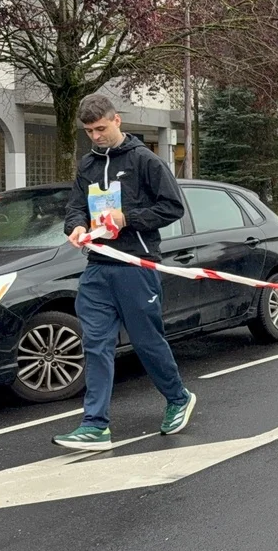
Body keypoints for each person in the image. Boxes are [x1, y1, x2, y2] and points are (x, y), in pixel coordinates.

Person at [55, 94, 194, 450]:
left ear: (117, 120)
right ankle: (94, 425)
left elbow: (172, 207)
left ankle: (178, 397)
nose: (96, 136)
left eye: (101, 128)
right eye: (89, 131)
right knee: (96, 345)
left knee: (147, 342)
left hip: (135, 264)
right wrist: (76, 226)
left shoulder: (145, 160)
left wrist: (127, 218)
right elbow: (75, 207)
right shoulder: (87, 164)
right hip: (97, 267)